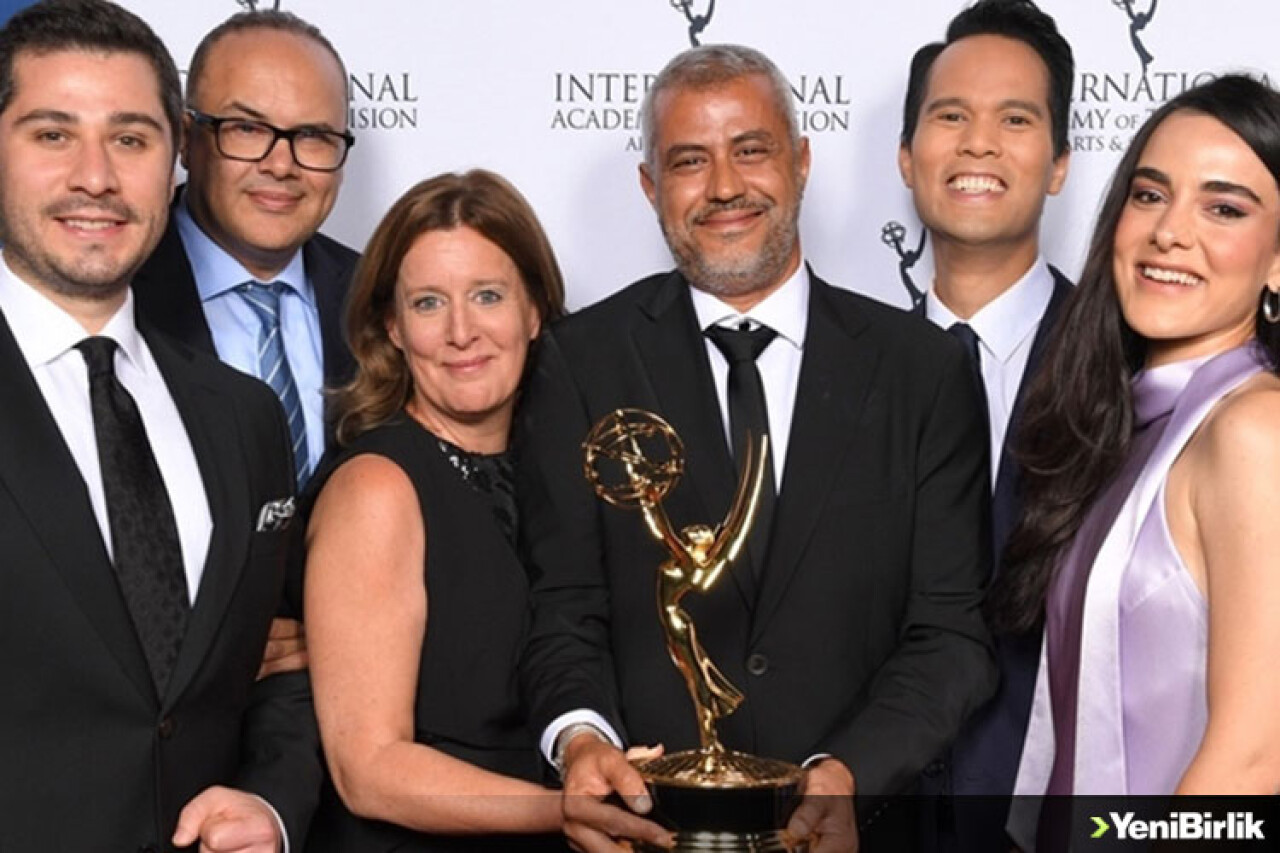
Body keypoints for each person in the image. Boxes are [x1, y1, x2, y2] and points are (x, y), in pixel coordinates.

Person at [515, 43, 996, 852]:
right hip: (651, 832)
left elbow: (951, 633)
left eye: (751, 150)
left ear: (800, 163)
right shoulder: (579, 362)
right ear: (650, 186)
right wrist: (581, 736)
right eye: (689, 161)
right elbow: (564, 608)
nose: (725, 186)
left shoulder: (923, 370)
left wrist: (849, 772)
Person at [0, 2, 321, 851]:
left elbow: (283, 663)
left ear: (178, 156)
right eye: (53, 134)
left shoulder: (243, 415)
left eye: (131, 138)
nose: (96, 177)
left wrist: (273, 800)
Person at [994, 74, 1280, 842]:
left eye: (1224, 208)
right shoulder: (1128, 428)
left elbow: (1255, 759)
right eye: (1150, 195)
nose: (1169, 232)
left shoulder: (1255, 429)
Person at [301, 170, 569, 852]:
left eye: (488, 295)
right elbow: (369, 769)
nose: (461, 332)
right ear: (392, 327)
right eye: (428, 303)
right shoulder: (376, 488)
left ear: (534, 311)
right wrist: (572, 811)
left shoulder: (568, 473)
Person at [896, 1, 1073, 844]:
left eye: (1015, 119)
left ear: (1060, 162)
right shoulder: (839, 374)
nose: (979, 144)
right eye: (950, 116)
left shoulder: (1132, 373)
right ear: (907, 156)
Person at [133, 8, 358, 490]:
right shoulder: (112, 290)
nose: (281, 165)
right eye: (247, 129)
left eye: (313, 136)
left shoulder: (378, 298)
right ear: (186, 141)